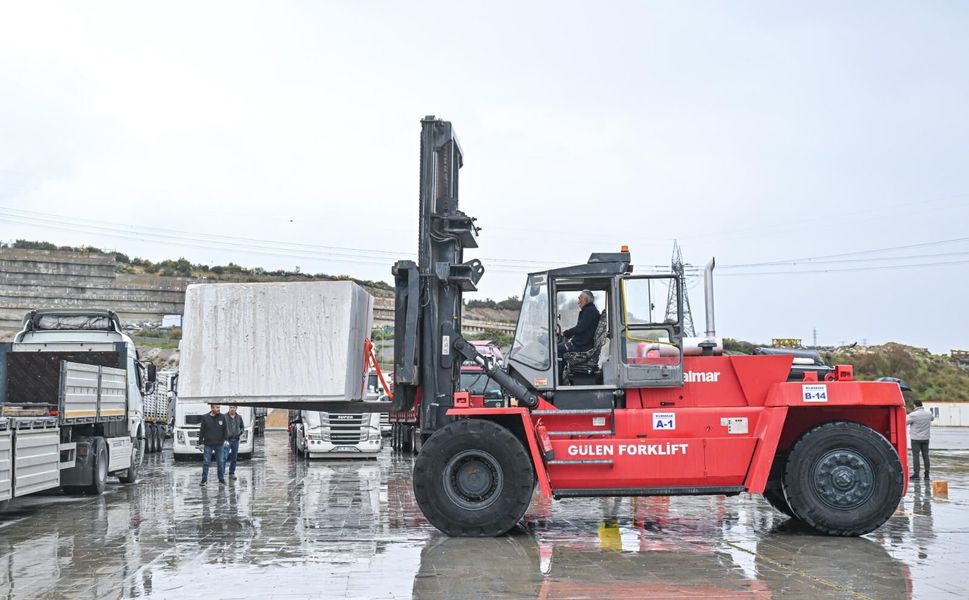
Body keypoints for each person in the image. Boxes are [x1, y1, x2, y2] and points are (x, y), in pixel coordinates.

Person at [557, 290, 600, 356]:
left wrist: (566, 333)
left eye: (580, 298)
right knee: (561, 345)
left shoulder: (590, 311)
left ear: (585, 299)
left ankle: (558, 366)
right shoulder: (590, 310)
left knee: (557, 349)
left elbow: (580, 328)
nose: (578, 302)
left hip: (582, 346)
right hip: (583, 344)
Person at [198, 403, 228, 485]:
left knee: (220, 462)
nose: (219, 409)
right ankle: (204, 480)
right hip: (208, 444)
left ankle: (221, 479)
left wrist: (226, 440)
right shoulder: (205, 417)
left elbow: (225, 429)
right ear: (212, 408)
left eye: (219, 407)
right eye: (217, 407)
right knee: (206, 462)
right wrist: (200, 443)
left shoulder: (222, 417)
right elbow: (202, 431)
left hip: (219, 444)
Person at [907, 400, 934, 480]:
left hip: (915, 439)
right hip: (926, 438)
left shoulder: (913, 415)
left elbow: (905, 422)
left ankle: (916, 474)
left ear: (915, 405)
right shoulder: (928, 413)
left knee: (916, 456)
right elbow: (932, 419)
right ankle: (927, 474)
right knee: (926, 456)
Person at [223, 404, 246, 479]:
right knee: (224, 457)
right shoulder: (224, 417)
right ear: (229, 408)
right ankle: (222, 474)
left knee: (234, 458)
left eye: (233, 407)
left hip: (235, 440)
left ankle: (231, 473)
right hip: (227, 440)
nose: (232, 409)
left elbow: (242, 427)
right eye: (230, 407)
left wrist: (239, 433)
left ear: (236, 408)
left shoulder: (239, 417)